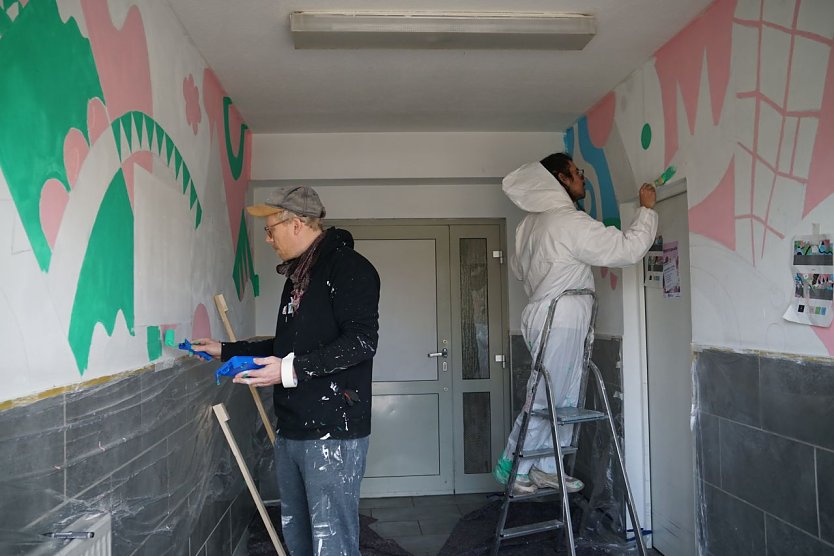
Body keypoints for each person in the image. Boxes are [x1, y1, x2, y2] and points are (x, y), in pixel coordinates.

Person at [193, 185, 380, 556]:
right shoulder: (298, 278)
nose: (267, 239)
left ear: (296, 223)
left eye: (269, 228)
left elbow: (361, 343)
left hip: (333, 431)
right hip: (293, 426)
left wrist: (288, 370)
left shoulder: (349, 268)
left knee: (332, 543)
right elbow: (285, 348)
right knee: (300, 537)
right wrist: (226, 350)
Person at [494, 153, 657, 494]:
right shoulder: (568, 221)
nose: (582, 178)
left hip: (549, 314)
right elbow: (626, 250)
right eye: (577, 173)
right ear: (561, 178)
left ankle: (547, 465)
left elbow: (521, 270)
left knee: (564, 397)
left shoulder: (529, 225)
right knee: (546, 396)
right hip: (562, 318)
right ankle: (514, 463)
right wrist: (647, 211)